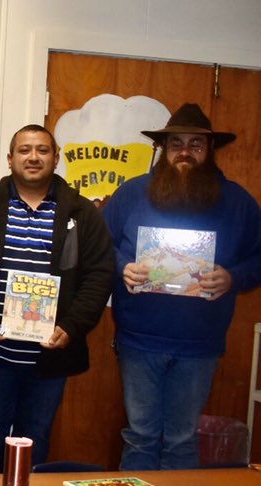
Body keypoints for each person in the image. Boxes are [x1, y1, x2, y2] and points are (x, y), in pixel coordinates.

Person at [0, 124, 114, 472]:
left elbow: (99, 275)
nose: (33, 157)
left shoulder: (82, 213)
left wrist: (72, 325)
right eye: (24, 150)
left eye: (42, 150)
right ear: (10, 159)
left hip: (49, 357)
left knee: (35, 440)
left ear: (56, 157)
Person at [102, 103, 261, 470]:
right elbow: (99, 245)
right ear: (163, 148)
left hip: (200, 345)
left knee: (182, 440)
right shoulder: (132, 193)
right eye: (176, 143)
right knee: (140, 437)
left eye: (196, 144)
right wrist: (123, 267)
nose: (185, 152)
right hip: (138, 341)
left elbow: (259, 258)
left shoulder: (238, 202)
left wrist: (233, 277)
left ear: (210, 150)